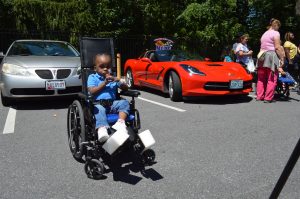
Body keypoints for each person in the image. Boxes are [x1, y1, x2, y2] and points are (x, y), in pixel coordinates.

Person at [87, 53, 129, 142]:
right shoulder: (92, 77)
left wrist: (120, 81)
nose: (105, 68)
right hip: (98, 104)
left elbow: (125, 88)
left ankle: (120, 123)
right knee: (99, 110)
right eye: (102, 66)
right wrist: (104, 83)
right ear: (95, 68)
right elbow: (91, 91)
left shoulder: (113, 78)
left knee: (124, 103)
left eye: (108, 66)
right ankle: (102, 129)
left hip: (113, 104)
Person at [256, 18, 285, 103]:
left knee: (261, 78)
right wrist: (282, 58)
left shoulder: (264, 34)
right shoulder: (276, 33)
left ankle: (259, 96)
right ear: (276, 25)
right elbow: (277, 47)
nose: (278, 29)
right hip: (271, 56)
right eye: (278, 27)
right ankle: (268, 98)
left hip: (261, 56)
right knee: (271, 78)